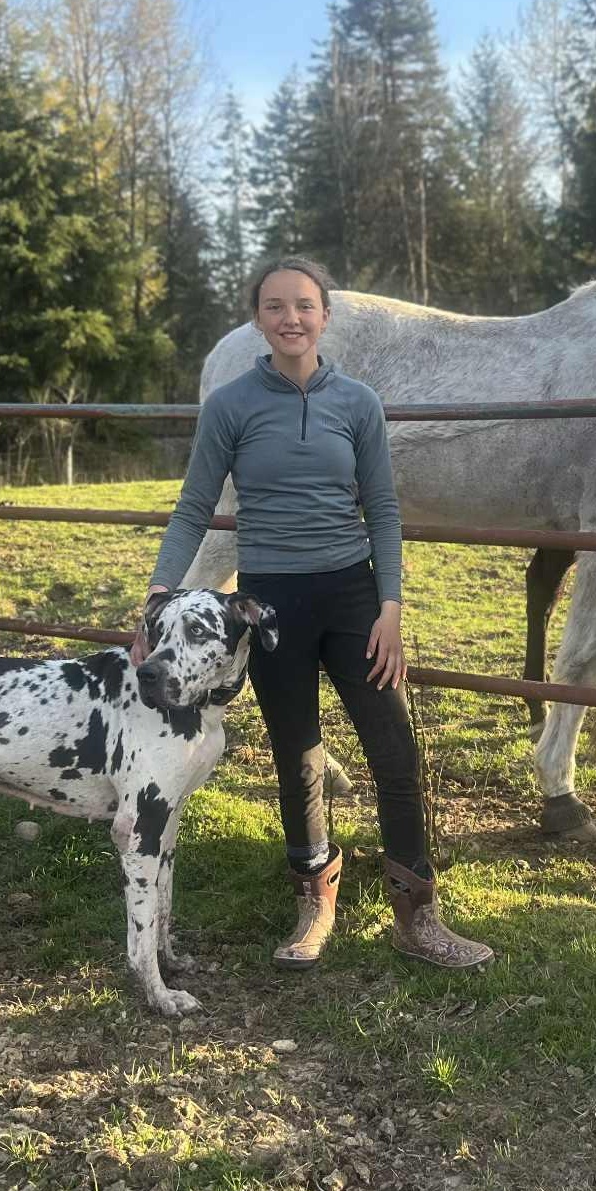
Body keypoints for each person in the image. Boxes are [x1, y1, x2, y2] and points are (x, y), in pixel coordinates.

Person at [131, 257, 492, 972]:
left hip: (353, 597)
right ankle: (314, 904)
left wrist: (389, 607)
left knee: (393, 750)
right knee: (297, 755)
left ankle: (418, 915)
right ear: (257, 319)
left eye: (303, 305)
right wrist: (157, 595)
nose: (290, 318)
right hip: (272, 605)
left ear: (324, 315)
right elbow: (196, 507)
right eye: (274, 307)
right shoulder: (230, 406)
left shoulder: (357, 402)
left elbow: (383, 509)